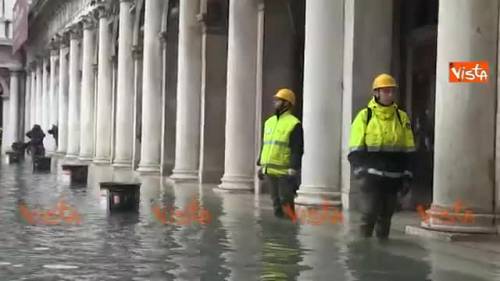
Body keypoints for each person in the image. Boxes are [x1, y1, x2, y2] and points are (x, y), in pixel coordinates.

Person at [348, 74, 416, 239]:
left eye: (392, 91)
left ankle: (381, 248)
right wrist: (360, 172)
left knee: (386, 217)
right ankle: (362, 252)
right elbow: (355, 148)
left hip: (394, 177)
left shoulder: (402, 117)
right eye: (386, 91)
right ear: (377, 93)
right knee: (369, 214)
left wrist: (408, 176)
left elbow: (409, 149)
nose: (390, 94)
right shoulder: (365, 116)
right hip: (371, 176)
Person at [257, 88, 304, 218]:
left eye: (278, 100)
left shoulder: (294, 123)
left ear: (287, 103)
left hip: (285, 171)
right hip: (270, 169)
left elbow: (297, 148)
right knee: (275, 201)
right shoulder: (269, 122)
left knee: (286, 201)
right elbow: (265, 144)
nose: (275, 102)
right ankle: (278, 233)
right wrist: (261, 165)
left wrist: (293, 168)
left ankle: (289, 232)